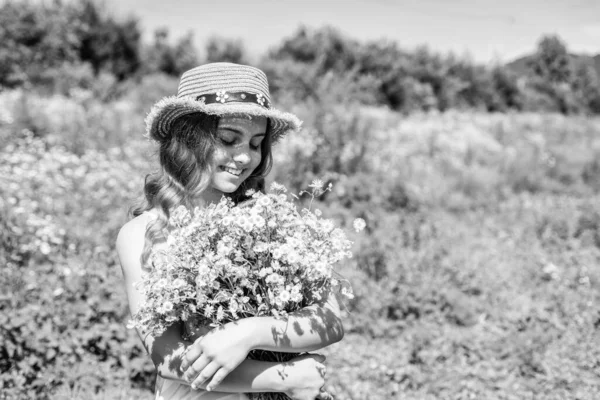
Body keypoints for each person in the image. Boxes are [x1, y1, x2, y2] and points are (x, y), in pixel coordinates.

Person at [116, 63, 344, 400]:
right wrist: (283, 377)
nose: (244, 157)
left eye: (255, 143)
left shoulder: (268, 221)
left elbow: (330, 320)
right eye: (228, 139)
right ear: (188, 137)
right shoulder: (142, 233)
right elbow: (166, 357)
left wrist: (250, 331)